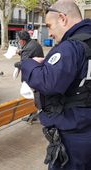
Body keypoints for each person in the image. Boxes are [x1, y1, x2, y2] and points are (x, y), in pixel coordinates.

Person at [21, 1, 91, 170]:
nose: (50, 33)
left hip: (73, 136)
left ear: (62, 18)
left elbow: (47, 82)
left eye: (49, 26)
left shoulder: (71, 47)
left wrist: (28, 64)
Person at [14, 30, 44, 123]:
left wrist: (16, 64)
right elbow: (30, 55)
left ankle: (36, 114)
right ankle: (34, 114)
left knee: (32, 96)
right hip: (38, 73)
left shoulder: (28, 48)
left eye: (19, 40)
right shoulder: (33, 43)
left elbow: (24, 64)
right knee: (36, 95)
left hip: (32, 76)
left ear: (22, 40)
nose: (18, 42)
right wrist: (20, 52)